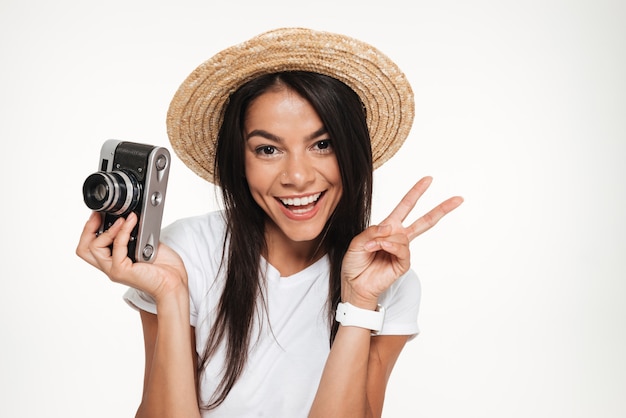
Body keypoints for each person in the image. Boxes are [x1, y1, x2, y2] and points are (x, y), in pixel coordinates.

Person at [77, 27, 463, 417]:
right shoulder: (188, 251)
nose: (297, 176)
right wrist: (171, 295)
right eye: (268, 149)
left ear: (351, 151)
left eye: (322, 144)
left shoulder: (386, 281)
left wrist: (360, 302)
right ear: (240, 162)